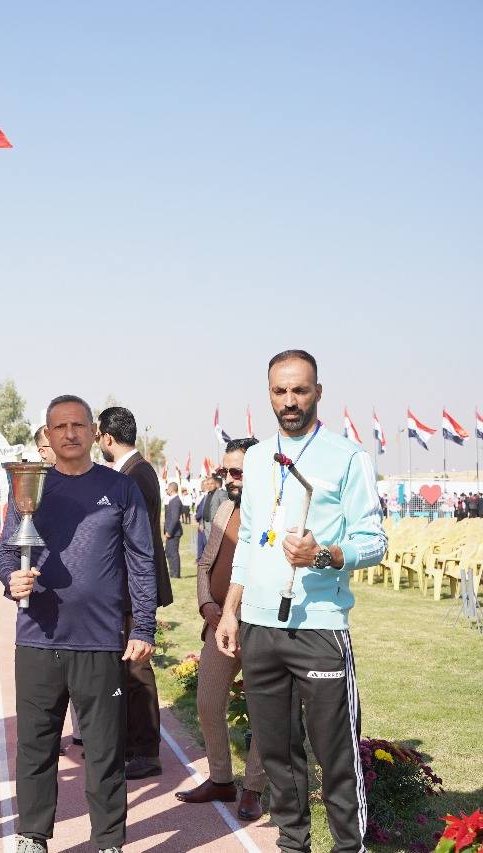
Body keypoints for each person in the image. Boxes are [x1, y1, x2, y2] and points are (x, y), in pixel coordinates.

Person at [216, 350, 386, 853]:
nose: (289, 401)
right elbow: (249, 541)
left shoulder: (348, 457)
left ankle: (349, 846)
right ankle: (293, 843)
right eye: (279, 391)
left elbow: (374, 541)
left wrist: (324, 555)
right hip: (259, 627)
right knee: (276, 753)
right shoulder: (255, 457)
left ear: (318, 392)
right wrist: (231, 611)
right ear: (269, 394)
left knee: (335, 754)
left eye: (299, 390)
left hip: (320, 627)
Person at [0, 395, 157, 853]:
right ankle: (32, 836)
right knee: (35, 745)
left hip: (100, 639)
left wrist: (143, 626)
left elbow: (142, 561)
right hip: (37, 636)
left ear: (93, 432)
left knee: (105, 750)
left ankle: (108, 840)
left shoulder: (120, 489)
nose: (70, 433)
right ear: (47, 435)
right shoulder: (29, 485)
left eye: (78, 425)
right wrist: (11, 581)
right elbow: (9, 551)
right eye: (60, 426)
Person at [176, 438, 266, 821]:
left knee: (263, 711)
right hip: (219, 625)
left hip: (262, 627)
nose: (229, 479)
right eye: (225, 471)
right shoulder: (225, 508)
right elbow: (203, 563)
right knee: (208, 702)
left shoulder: (275, 513)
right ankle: (221, 779)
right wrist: (206, 605)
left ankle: (254, 789)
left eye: (237, 472)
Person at [95, 406, 172, 779]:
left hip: (133, 587)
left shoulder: (136, 475)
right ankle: (130, 743)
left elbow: (134, 540)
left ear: (107, 438)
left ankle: (145, 751)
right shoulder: (134, 471)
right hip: (127, 586)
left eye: (97, 436)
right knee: (126, 670)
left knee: (137, 669)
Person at [164, 483, 182, 579]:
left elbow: (175, 518)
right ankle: (172, 572)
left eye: (167, 489)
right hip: (171, 532)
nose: (166, 490)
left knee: (173, 553)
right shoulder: (173, 500)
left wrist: (169, 531)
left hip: (174, 532)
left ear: (171, 489)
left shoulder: (175, 501)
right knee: (168, 552)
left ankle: (175, 574)